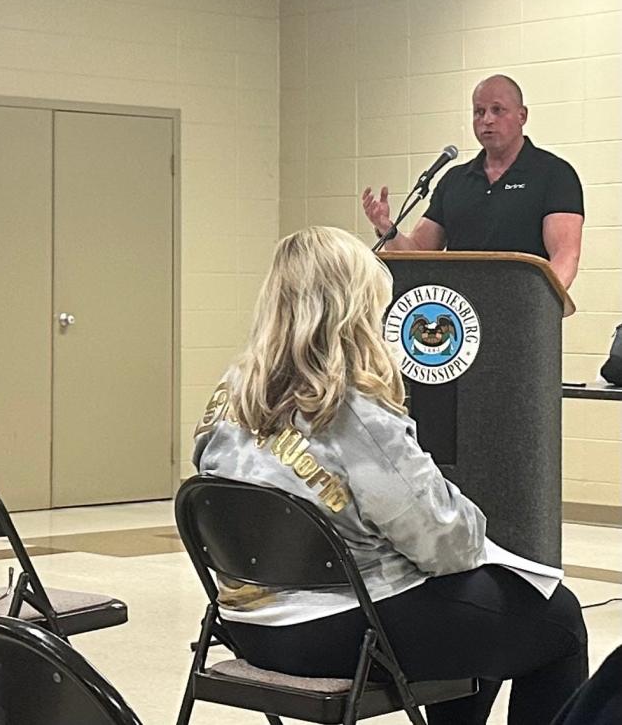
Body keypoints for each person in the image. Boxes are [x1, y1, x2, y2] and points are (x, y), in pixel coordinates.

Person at [193, 226, 587, 725]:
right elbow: (445, 544)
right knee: (559, 621)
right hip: (340, 633)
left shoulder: (230, 394)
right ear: (355, 307)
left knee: (482, 615)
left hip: (247, 626)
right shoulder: (351, 409)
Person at [362, 74, 584, 288]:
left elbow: (565, 256)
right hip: (457, 317)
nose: (487, 119)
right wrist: (386, 228)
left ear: (522, 116)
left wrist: (541, 305)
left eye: (498, 110)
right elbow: (419, 253)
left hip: (523, 314)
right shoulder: (455, 180)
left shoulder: (554, 174)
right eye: (479, 112)